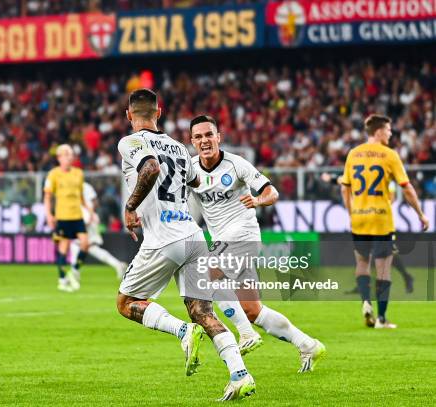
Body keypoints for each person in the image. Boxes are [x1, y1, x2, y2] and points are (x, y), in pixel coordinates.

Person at [117, 89, 255, 401]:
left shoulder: (129, 142)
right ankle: (240, 374)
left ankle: (181, 331)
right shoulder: (180, 148)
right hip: (193, 236)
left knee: (125, 303)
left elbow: (150, 167)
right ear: (159, 112)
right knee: (202, 311)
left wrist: (130, 206)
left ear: (129, 115)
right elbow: (195, 181)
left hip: (163, 239)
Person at [189, 115, 325, 372]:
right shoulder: (191, 170)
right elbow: (185, 205)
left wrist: (259, 201)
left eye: (209, 134)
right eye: (198, 136)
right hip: (223, 241)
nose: (204, 140)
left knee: (209, 275)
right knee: (252, 310)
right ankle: (308, 344)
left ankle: (246, 334)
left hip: (244, 234)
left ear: (218, 137)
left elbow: (271, 192)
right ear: (192, 141)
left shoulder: (236, 164)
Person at [340, 114, 428, 329]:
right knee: (383, 269)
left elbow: (345, 187)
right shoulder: (389, 155)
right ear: (378, 132)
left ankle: (365, 302)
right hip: (381, 219)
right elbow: (406, 187)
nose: (390, 133)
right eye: (388, 130)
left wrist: (352, 212)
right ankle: (381, 318)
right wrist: (420, 214)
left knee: (362, 264)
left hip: (359, 218)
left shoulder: (353, 154)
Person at [44, 144, 94, 292]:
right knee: (63, 248)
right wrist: (48, 214)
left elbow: (81, 197)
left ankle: (75, 270)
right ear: (59, 157)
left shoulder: (78, 173)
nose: (69, 156)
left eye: (70, 154)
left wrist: (89, 210)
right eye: (66, 154)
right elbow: (47, 196)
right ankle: (61, 279)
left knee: (85, 243)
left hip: (77, 216)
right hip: (63, 217)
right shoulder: (53, 174)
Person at [69, 182, 128, 284]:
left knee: (78, 244)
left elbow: (93, 202)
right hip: (84, 217)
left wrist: (90, 215)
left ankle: (74, 273)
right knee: (88, 247)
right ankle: (118, 265)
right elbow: (95, 201)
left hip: (86, 218)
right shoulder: (85, 186)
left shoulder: (82, 186)